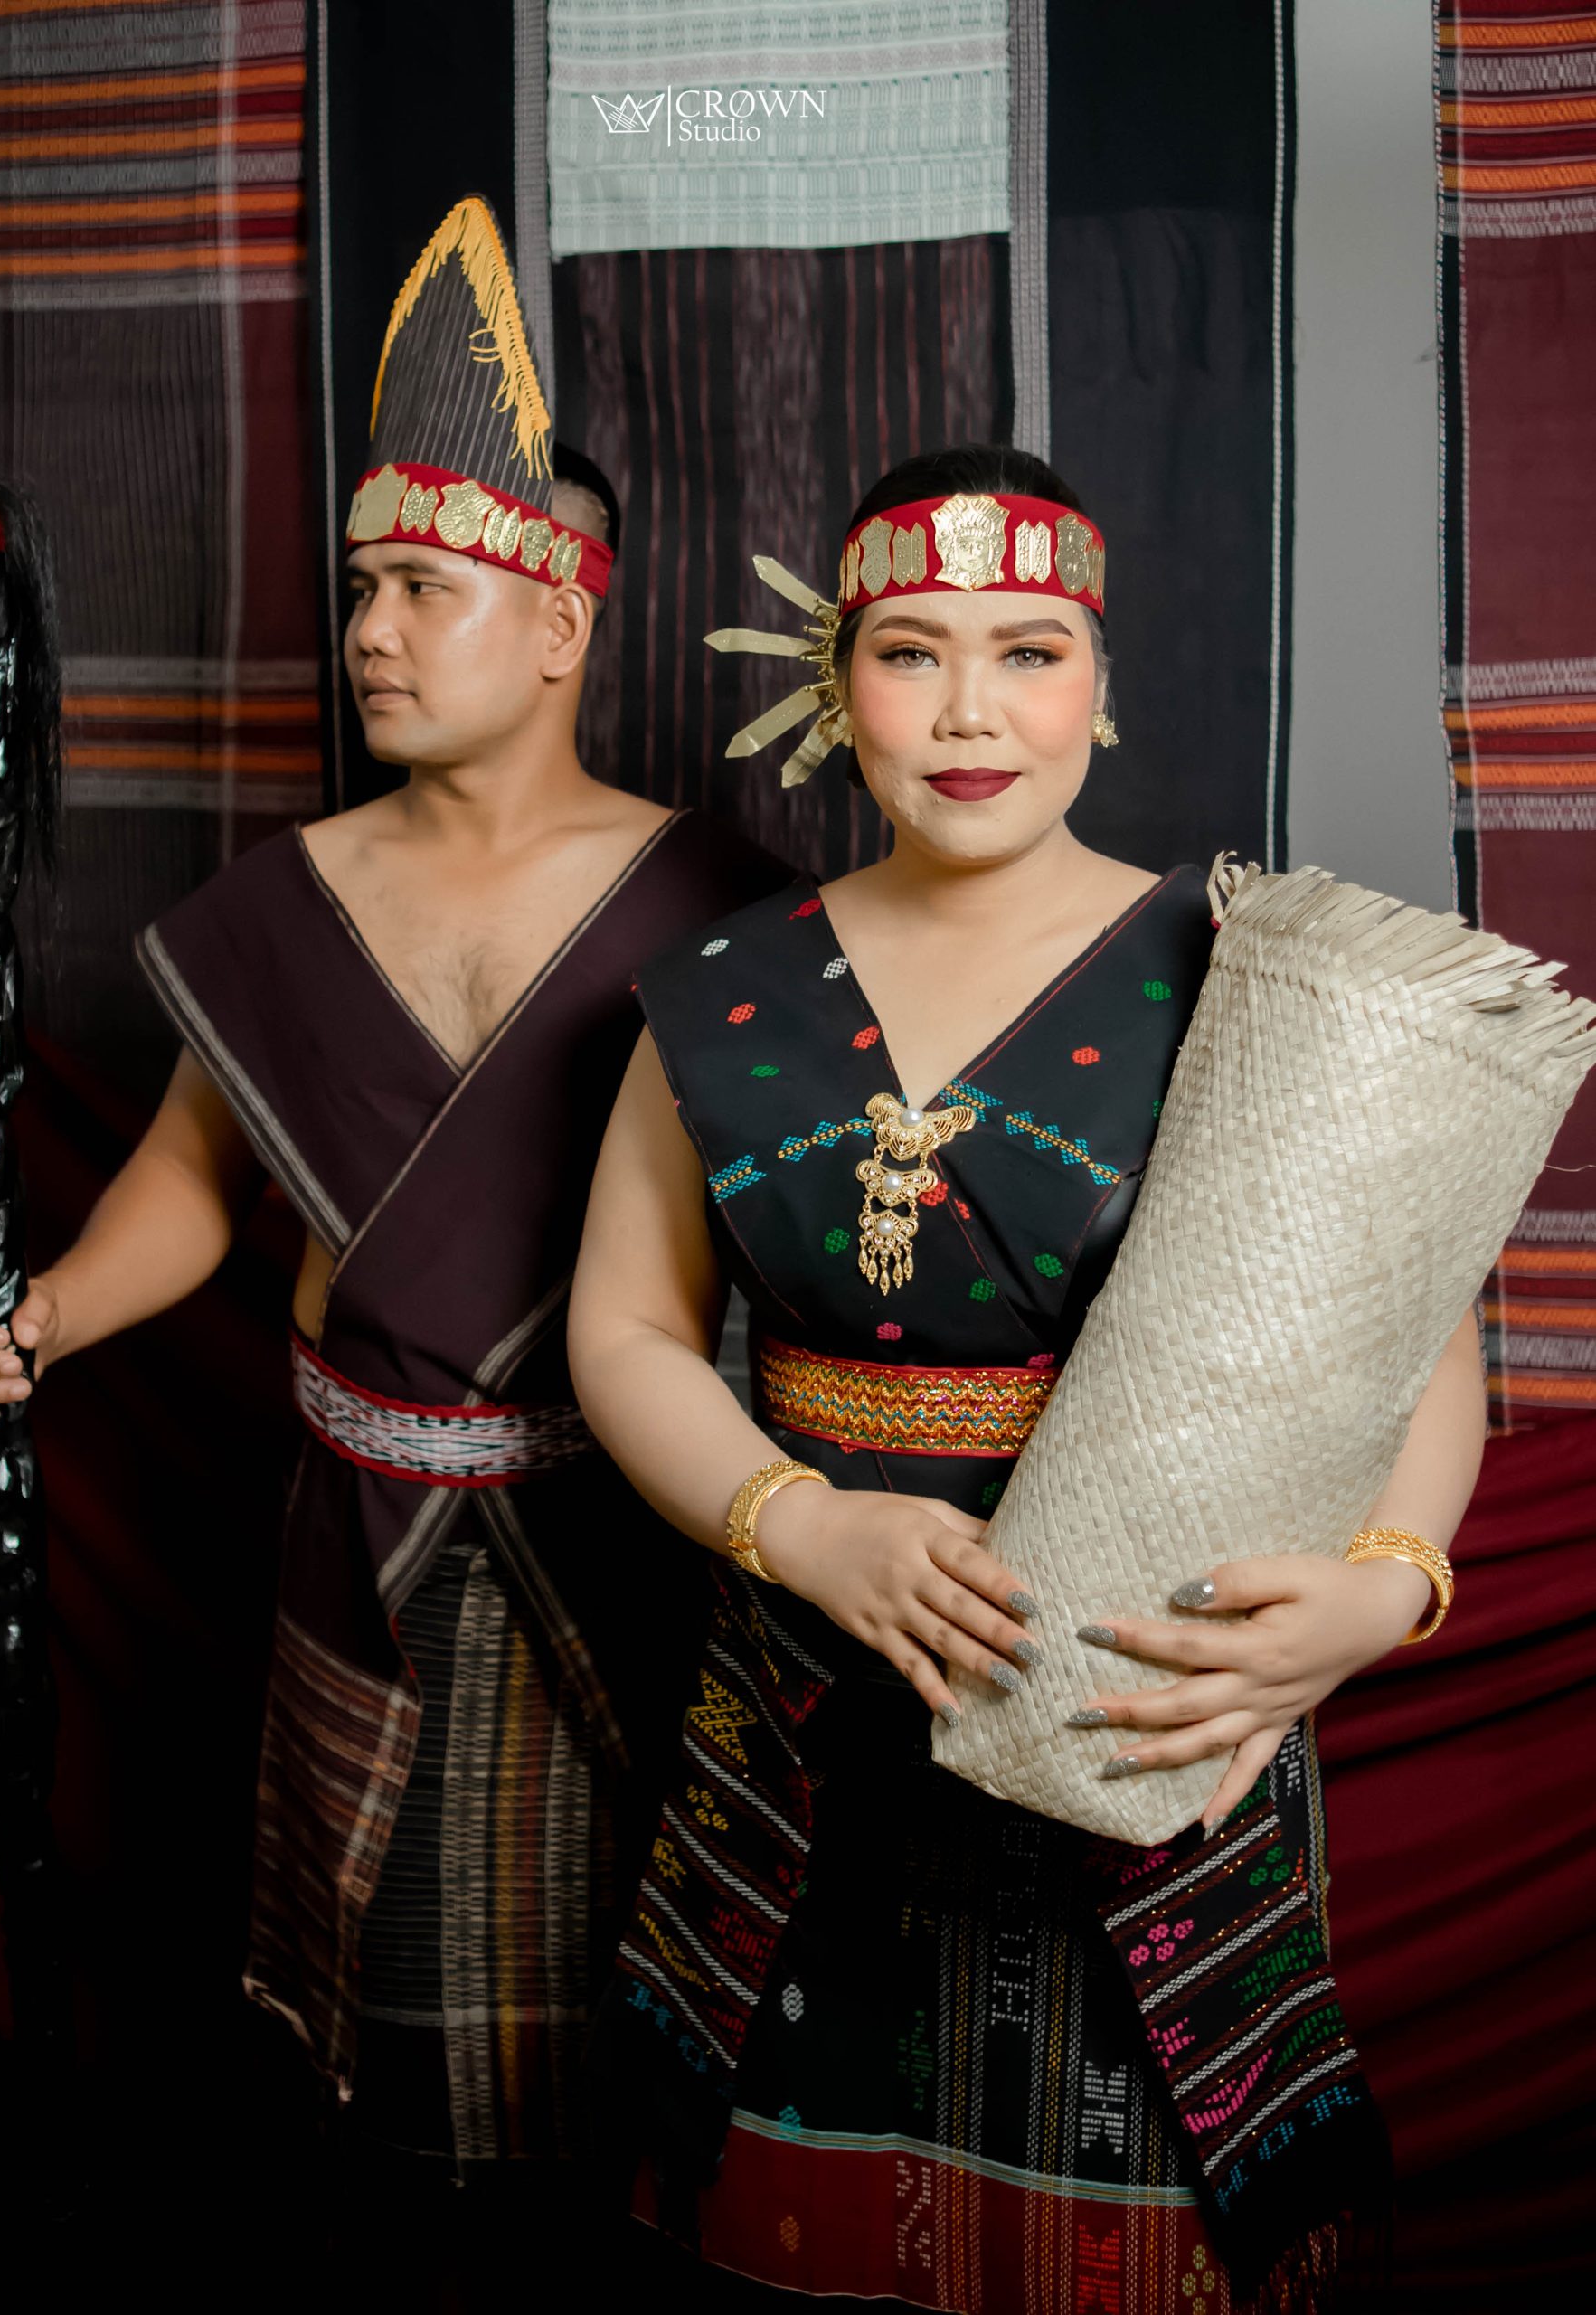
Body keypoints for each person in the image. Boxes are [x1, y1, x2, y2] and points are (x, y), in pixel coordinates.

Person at [0, 196, 789, 2283]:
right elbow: (194, 1178)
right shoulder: (284, 896)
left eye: (421, 588)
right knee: (383, 2051)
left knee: (640, 2019)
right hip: (360, 1536)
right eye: (358, 590)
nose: (370, 632)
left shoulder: (725, 902)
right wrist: (41, 1319)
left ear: (558, 621)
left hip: (629, 1539)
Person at [567, 443, 1487, 2309]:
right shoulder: (717, 987)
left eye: (1030, 650)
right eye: (909, 651)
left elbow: (1418, 1342)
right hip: (802, 1710)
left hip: (1152, 1706)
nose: (970, 709)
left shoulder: (1246, 969)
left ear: (1101, 679)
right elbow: (626, 1328)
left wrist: (1385, 1589)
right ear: (834, 684)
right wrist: (799, 1524)